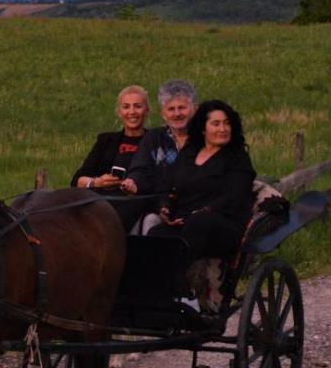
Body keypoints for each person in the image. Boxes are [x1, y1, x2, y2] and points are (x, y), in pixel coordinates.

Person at [146, 99, 256, 260]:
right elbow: (169, 185)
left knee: (199, 222)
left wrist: (204, 211)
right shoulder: (188, 154)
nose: (223, 129)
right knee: (156, 233)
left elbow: (234, 197)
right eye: (216, 124)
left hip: (223, 224)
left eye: (226, 123)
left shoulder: (238, 158)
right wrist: (165, 208)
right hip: (185, 221)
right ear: (203, 129)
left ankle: (178, 277)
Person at [70, 85, 152, 230]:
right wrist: (97, 182)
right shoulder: (106, 141)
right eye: (126, 107)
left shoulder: (155, 140)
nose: (131, 112)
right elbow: (78, 180)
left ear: (147, 110)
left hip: (134, 202)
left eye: (137, 106)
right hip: (103, 198)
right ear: (119, 112)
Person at [121, 79, 196, 197]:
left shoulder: (206, 138)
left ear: (195, 108)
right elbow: (141, 168)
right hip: (160, 205)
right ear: (163, 113)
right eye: (171, 109)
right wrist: (134, 182)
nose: (177, 114)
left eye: (182, 108)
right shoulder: (153, 138)